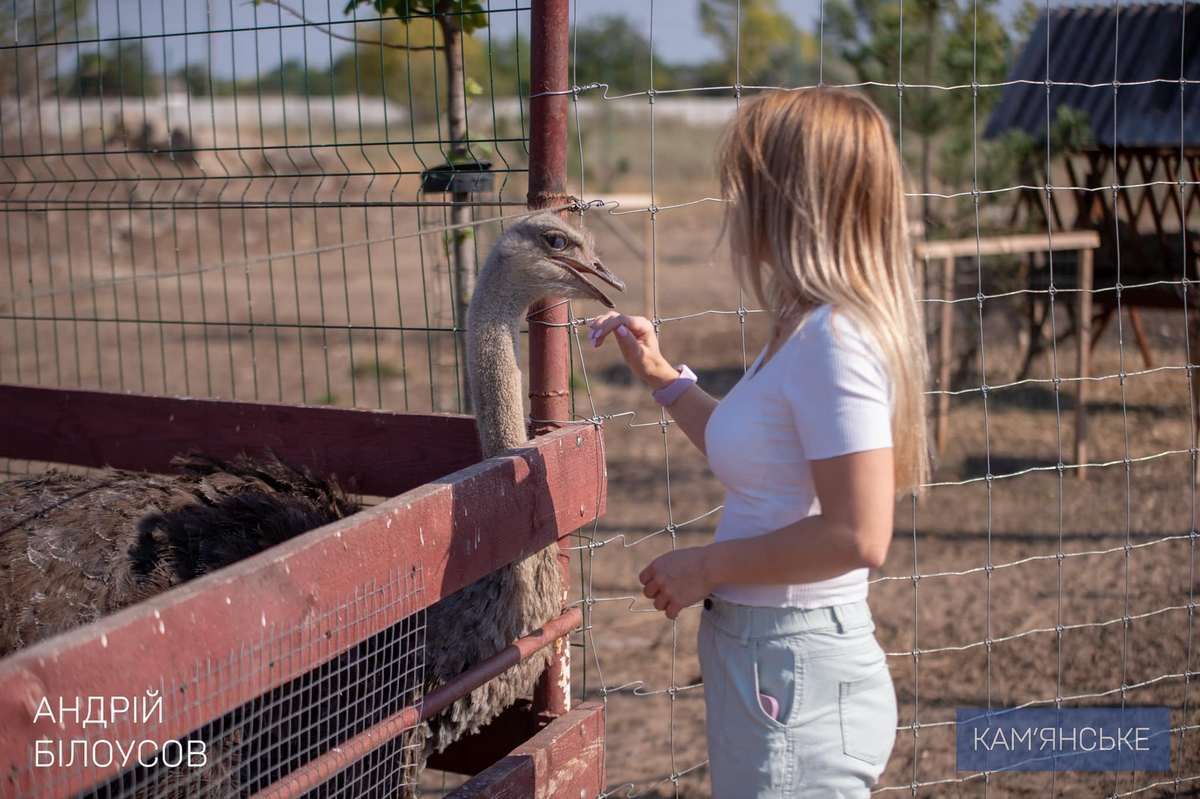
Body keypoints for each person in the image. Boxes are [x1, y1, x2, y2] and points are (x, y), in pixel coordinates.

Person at [588, 88, 928, 798]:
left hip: (792, 673)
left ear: (791, 199)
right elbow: (762, 456)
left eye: (746, 185)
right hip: (773, 667)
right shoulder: (803, 327)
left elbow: (858, 533)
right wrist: (662, 377)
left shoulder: (835, 342)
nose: (733, 203)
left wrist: (707, 566)